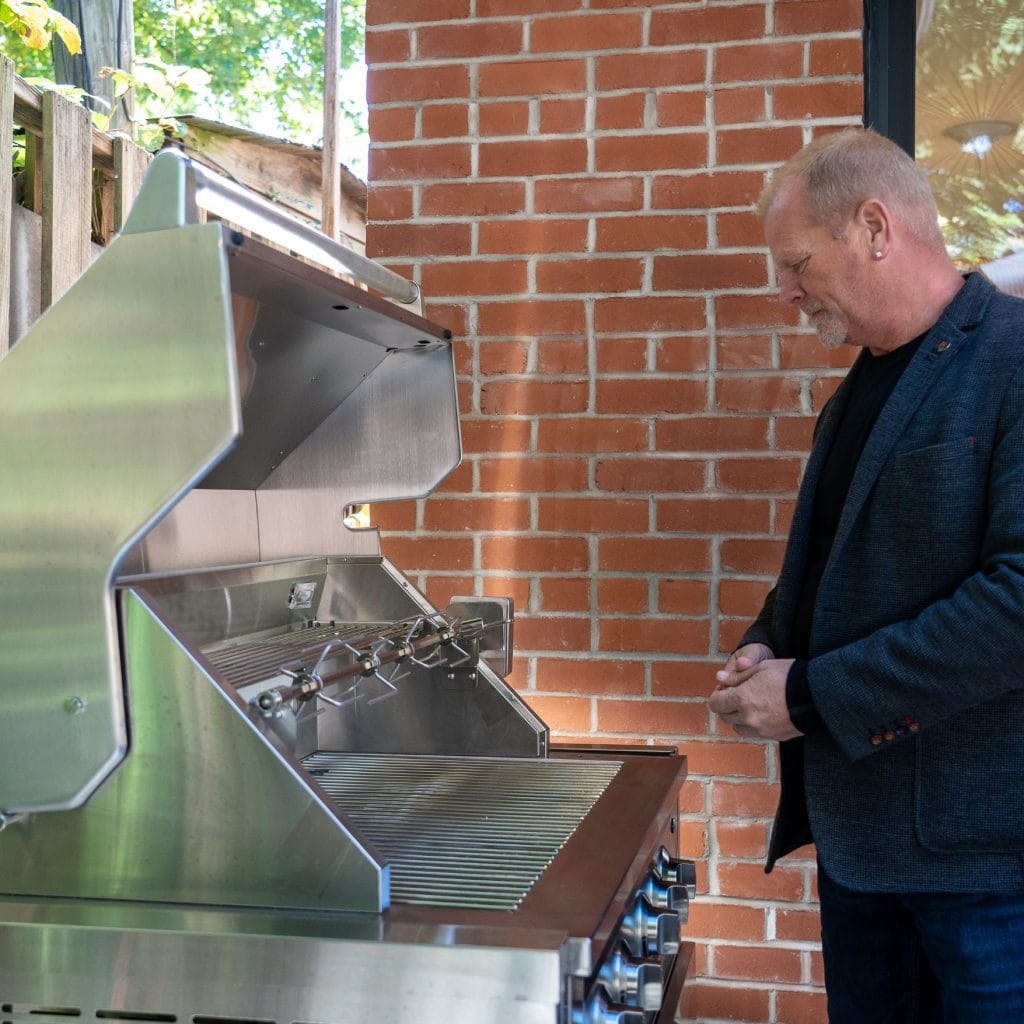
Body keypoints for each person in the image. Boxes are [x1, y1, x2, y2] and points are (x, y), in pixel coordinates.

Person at [709, 127, 1024, 1023]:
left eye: (796, 261)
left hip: (986, 872)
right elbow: (832, 566)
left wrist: (807, 696)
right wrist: (767, 639)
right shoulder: (857, 388)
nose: (784, 292)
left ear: (876, 228)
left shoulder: (1016, 359)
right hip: (862, 851)